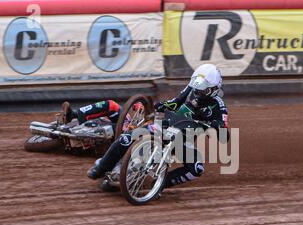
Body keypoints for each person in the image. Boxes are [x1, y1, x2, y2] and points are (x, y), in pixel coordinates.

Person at [87, 63, 229, 190]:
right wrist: (164, 105)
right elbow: (176, 101)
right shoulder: (191, 89)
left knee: (196, 169)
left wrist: (218, 126)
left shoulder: (219, 106)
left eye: (203, 88)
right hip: (167, 126)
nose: (198, 90)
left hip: (184, 140)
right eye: (196, 84)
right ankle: (101, 168)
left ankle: (160, 184)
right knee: (126, 138)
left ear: (214, 89)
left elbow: (225, 137)